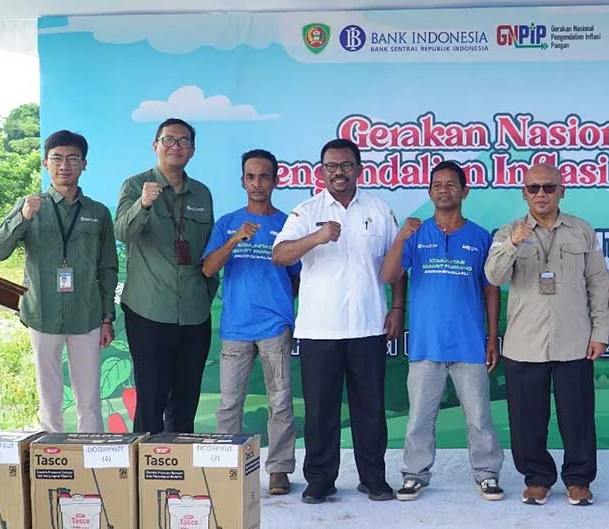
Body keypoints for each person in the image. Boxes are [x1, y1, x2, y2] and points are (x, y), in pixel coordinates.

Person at [272, 138, 405, 504]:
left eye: (346, 165)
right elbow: (279, 255)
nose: (339, 172)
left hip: (368, 326)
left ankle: (373, 479)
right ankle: (320, 479)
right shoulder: (306, 211)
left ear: (359, 169)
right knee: (320, 411)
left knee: (370, 409)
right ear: (322, 171)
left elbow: (396, 264)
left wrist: (397, 309)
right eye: (331, 166)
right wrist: (316, 236)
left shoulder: (379, 209)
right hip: (320, 330)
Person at [484, 163, 609, 507]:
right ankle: (537, 478)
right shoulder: (508, 231)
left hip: (574, 340)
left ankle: (579, 480)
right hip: (525, 342)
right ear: (524, 193)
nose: (541, 194)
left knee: (577, 417)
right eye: (534, 188)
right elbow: (494, 277)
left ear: (562, 191)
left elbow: (597, 282)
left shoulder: (582, 230)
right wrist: (512, 243)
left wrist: (600, 331)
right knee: (527, 418)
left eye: (549, 187)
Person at [380, 161, 505, 502]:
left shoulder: (480, 236)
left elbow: (490, 289)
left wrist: (492, 337)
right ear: (429, 192)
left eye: (451, 184)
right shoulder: (416, 233)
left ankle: (487, 473)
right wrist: (401, 237)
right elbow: (388, 275)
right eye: (437, 185)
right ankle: (414, 474)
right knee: (419, 419)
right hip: (425, 344)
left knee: (479, 418)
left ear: (465, 191)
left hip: (469, 343)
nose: (444, 190)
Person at [0, 130, 117, 433]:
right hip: (42, 313)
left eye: (73, 158)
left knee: (89, 398)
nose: (64, 165)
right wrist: (23, 217)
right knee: (49, 396)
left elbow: (107, 268)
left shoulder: (98, 213)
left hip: (86, 315)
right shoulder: (30, 205)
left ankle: (91, 451)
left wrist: (106, 318)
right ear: (45, 163)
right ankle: (53, 451)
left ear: (84, 164)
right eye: (57, 158)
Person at [200, 149, 300, 496]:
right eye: (251, 177)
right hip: (236, 327)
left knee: (281, 401)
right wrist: (233, 240)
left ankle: (279, 469)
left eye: (264, 176)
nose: (257, 183)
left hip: (274, 326)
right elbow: (208, 269)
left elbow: (297, 276)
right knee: (229, 403)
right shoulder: (228, 222)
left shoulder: (288, 224)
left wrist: (278, 304)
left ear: (275, 180)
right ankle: (228, 468)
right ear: (242, 181)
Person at [114, 117, 217, 435]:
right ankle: (145, 463)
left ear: (193, 150)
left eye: (184, 141)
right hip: (149, 311)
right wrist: (144, 204)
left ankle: (178, 460)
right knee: (151, 401)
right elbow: (123, 232)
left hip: (194, 313)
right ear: (155, 145)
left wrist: (204, 293)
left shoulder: (202, 193)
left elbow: (209, 250)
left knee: (186, 401)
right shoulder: (135, 185)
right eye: (169, 140)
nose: (176, 146)